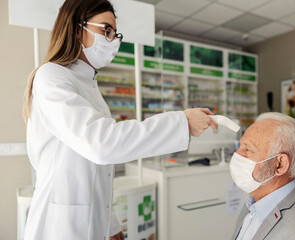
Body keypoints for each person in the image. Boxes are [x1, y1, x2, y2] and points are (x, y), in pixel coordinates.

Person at [22, 0, 217, 239]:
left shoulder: (89, 85)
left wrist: (110, 224)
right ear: (76, 28)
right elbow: (102, 143)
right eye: (106, 30)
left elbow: (96, 172)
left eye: (115, 34)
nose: (113, 40)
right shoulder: (51, 76)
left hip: (90, 224)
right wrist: (182, 122)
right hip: (58, 226)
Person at [230, 112, 295, 240]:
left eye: (248, 150)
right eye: (240, 146)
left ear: (280, 164)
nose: (237, 154)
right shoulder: (253, 204)